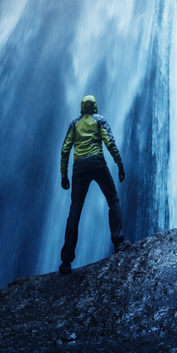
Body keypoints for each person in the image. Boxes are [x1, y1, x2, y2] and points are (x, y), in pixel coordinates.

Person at [59, 94, 128, 274]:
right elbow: (109, 142)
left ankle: (66, 261)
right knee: (113, 200)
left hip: (79, 167)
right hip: (97, 162)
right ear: (95, 106)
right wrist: (119, 164)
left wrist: (64, 175)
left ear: (82, 108)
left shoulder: (74, 124)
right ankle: (119, 243)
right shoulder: (100, 121)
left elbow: (65, 149)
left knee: (75, 209)